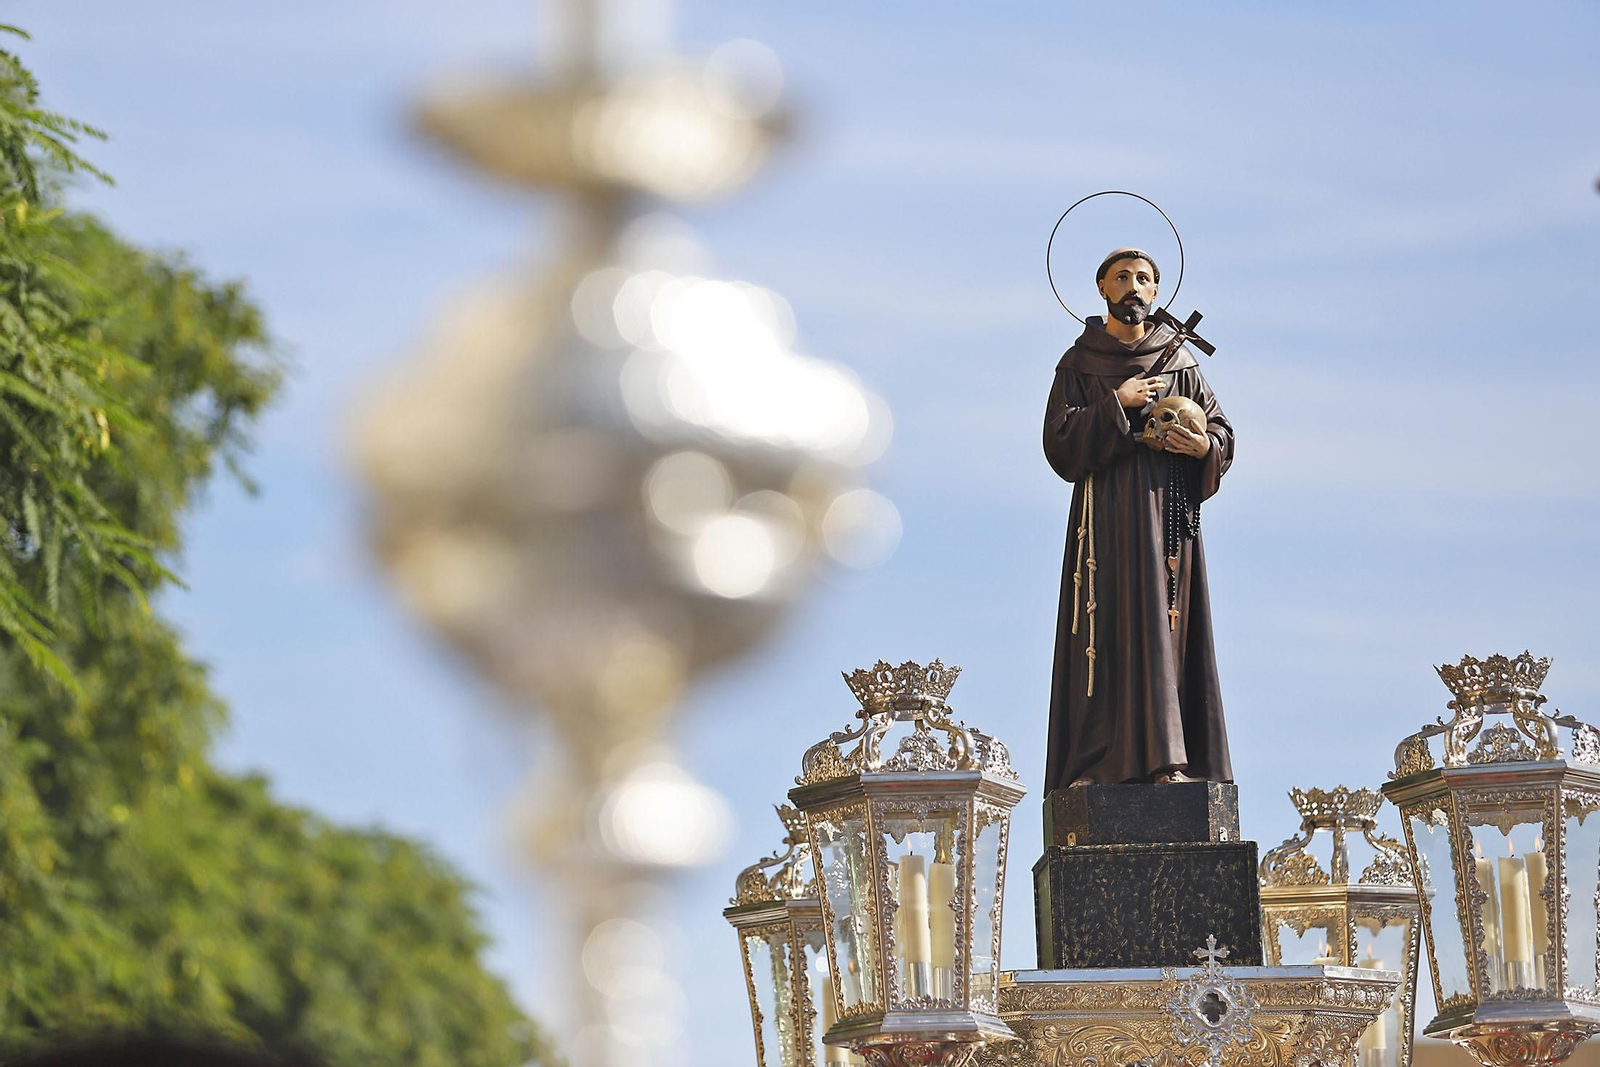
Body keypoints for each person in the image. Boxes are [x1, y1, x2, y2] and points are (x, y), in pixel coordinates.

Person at [1041, 248, 1235, 792]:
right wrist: (1116, 402)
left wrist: (1202, 446)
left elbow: (1222, 433)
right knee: (1106, 632)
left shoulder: (1180, 362)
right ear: (1102, 288)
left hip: (1169, 515)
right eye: (1122, 277)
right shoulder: (1079, 363)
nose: (1134, 286)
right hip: (1105, 521)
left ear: (1156, 291)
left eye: (1144, 278)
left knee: (1167, 629)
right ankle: (1096, 765)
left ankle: (1170, 759)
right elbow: (1059, 443)